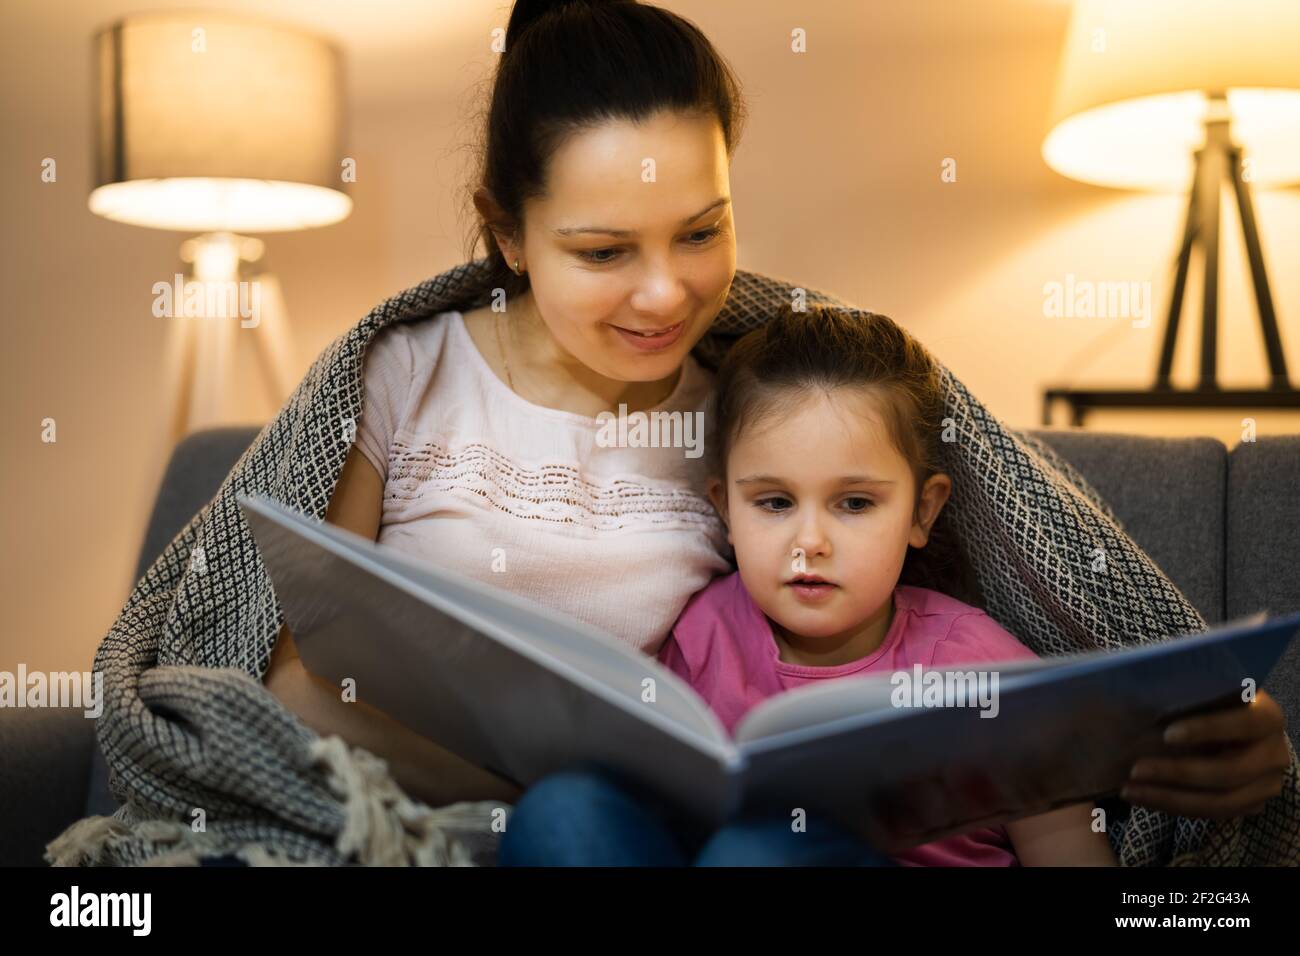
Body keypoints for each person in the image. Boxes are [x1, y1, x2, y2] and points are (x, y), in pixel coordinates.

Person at [261, 0, 1291, 864]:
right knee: (571, 818)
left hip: (730, 841)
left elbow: (1038, 611)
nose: (667, 293)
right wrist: (532, 779)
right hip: (475, 823)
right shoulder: (402, 373)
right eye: (604, 248)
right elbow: (305, 682)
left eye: (702, 231)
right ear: (506, 232)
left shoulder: (757, 408)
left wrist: (1212, 726)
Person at [498, 304, 1119, 865]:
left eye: (853, 503)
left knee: (764, 852)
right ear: (725, 512)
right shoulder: (700, 633)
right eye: (773, 503)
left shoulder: (982, 668)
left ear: (922, 514)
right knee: (564, 811)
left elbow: (1068, 851)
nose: (810, 542)